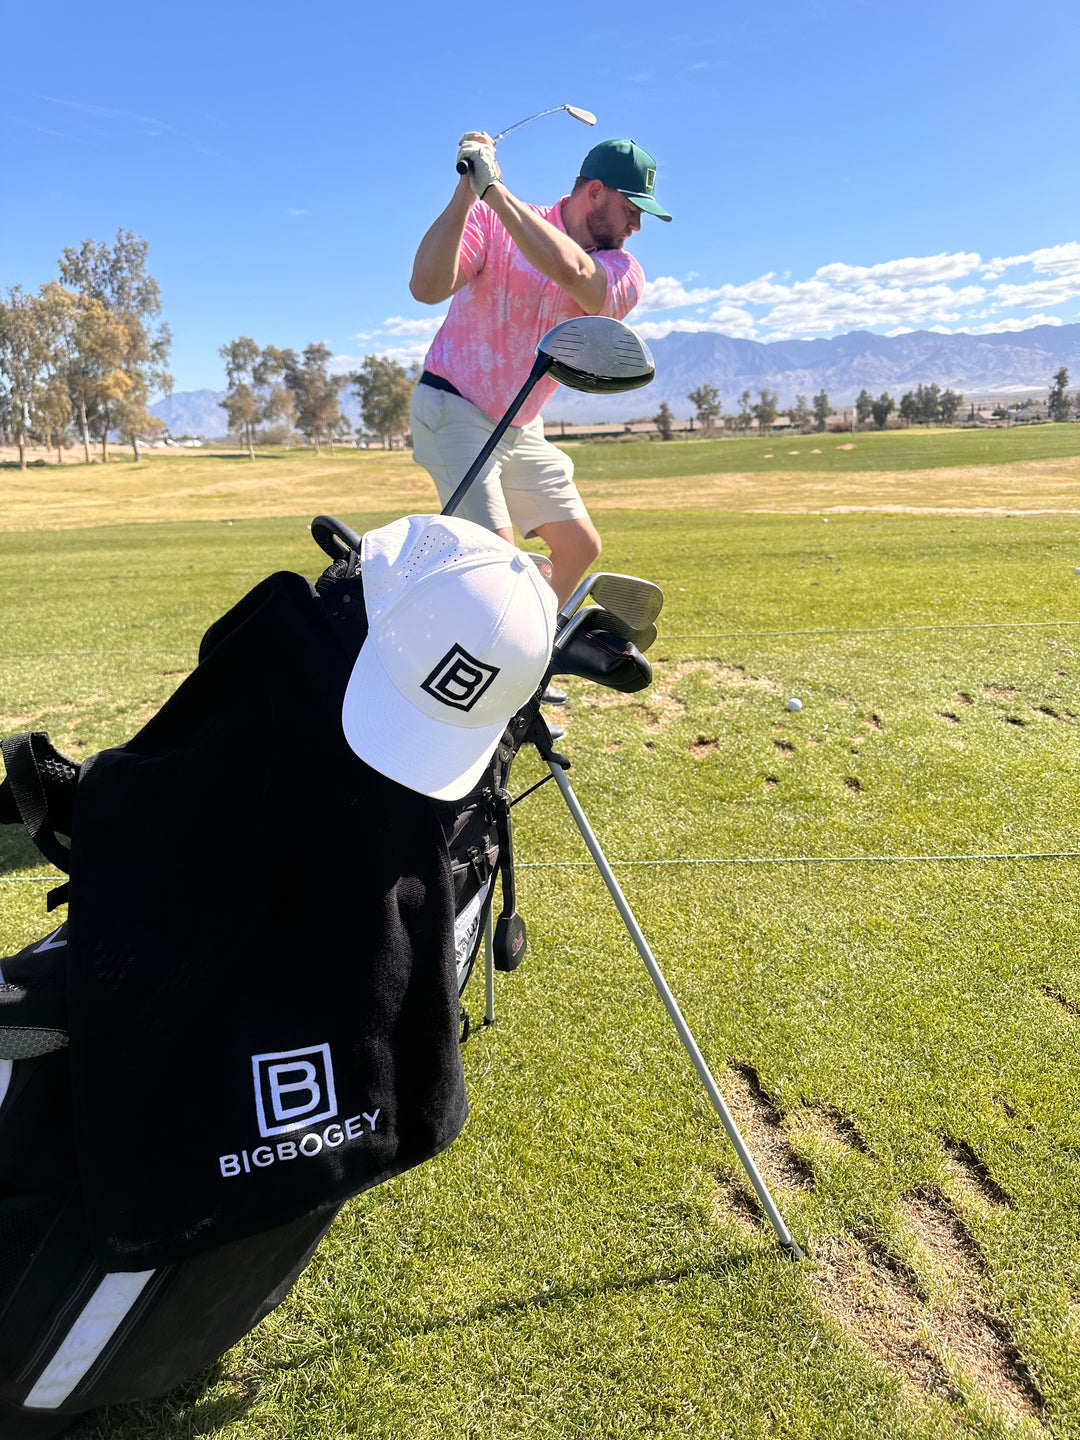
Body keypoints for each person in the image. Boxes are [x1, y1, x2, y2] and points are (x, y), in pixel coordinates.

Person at [408, 134, 671, 606]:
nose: (637, 224)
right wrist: (469, 191)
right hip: (454, 407)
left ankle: (530, 658)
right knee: (497, 566)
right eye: (632, 207)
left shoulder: (622, 269)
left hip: (520, 426)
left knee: (578, 546)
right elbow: (426, 287)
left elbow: (574, 274)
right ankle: (497, 663)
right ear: (595, 192)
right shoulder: (489, 218)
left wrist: (496, 192)